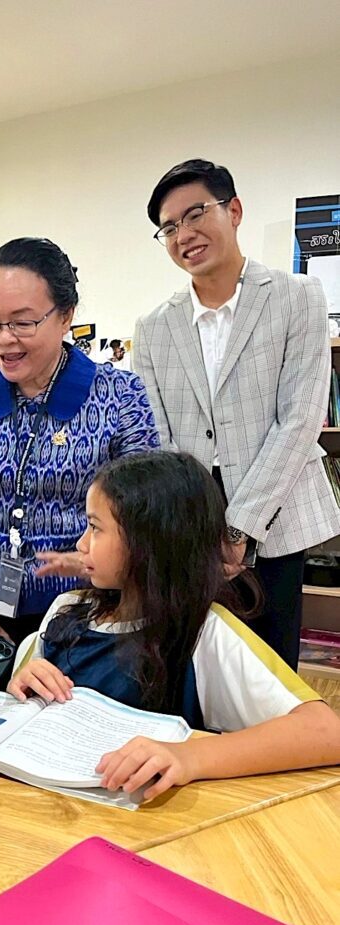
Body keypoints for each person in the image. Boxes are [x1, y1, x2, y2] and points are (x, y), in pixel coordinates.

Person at [8, 451, 340, 800]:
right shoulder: (66, 611)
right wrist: (22, 684)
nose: (81, 544)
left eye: (95, 528)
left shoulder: (205, 633)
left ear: (149, 543)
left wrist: (189, 757)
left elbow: (325, 731)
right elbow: (16, 714)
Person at [133, 159, 340, 669]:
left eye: (196, 213)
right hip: (191, 518)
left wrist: (238, 528)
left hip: (274, 511)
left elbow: (300, 418)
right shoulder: (155, 326)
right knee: (198, 666)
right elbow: (158, 437)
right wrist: (197, 527)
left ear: (235, 210)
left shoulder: (297, 297)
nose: (184, 234)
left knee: (269, 669)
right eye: (169, 226)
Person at [0, 237, 159, 662]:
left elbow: (144, 516)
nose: (3, 340)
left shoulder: (119, 395)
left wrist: (98, 580)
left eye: (22, 322)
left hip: (91, 613)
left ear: (66, 316)